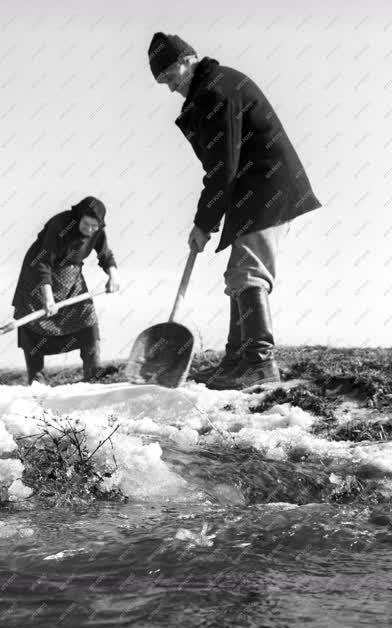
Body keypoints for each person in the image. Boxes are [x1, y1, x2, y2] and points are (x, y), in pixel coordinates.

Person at [148, 33, 322, 390]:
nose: (170, 88)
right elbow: (223, 167)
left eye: (170, 76)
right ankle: (236, 362)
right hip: (254, 188)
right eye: (162, 82)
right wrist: (207, 221)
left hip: (267, 186)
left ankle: (259, 363)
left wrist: (203, 224)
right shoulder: (211, 88)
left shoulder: (215, 91)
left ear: (188, 59)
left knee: (248, 272)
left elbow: (221, 169)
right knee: (238, 273)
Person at [11, 196, 120, 384]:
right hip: (39, 277)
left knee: (87, 320)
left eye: (95, 226)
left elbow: (105, 254)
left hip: (71, 277)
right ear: (79, 217)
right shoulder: (59, 225)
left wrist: (113, 275)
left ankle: (93, 373)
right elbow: (43, 263)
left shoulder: (97, 230)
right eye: (86, 224)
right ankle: (37, 381)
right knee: (35, 326)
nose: (90, 230)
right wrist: (48, 298)